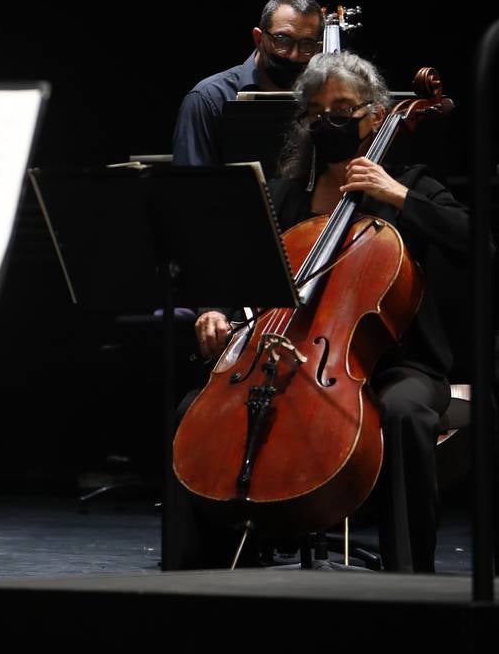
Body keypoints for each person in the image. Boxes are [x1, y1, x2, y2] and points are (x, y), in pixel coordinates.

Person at [172, 51, 469, 573]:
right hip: (289, 358)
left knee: (402, 413)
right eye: (316, 111)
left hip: (398, 365)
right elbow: (237, 273)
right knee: (193, 410)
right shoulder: (286, 197)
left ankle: (411, 576)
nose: (328, 120)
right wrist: (215, 311)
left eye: (343, 108)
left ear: (375, 114)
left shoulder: (412, 184)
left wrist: (396, 195)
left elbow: (477, 241)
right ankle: (196, 574)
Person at [170, 0, 324, 166]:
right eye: (283, 40)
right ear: (258, 38)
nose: (294, 55)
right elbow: (191, 186)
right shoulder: (207, 99)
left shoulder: (323, 100)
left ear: (318, 48)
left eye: (307, 44)